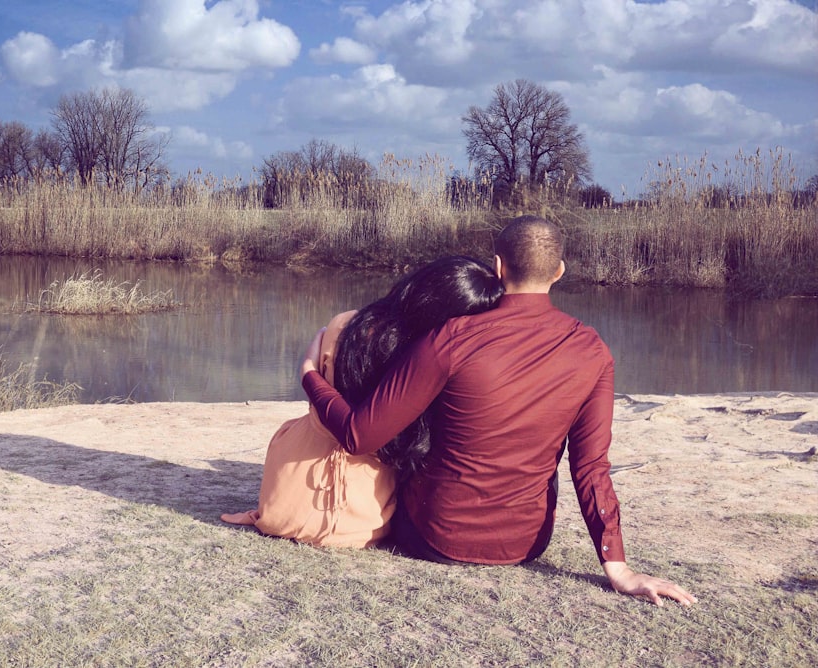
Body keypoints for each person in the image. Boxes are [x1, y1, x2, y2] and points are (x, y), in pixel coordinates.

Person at [301, 216, 697, 606]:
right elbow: (590, 467)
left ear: (497, 267)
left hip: (433, 536)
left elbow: (359, 435)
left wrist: (310, 376)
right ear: (559, 272)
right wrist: (618, 566)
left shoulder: (452, 337)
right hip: (525, 544)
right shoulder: (592, 350)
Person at [221, 256, 504, 547]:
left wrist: (308, 371)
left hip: (288, 494)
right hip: (363, 515)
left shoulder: (345, 324)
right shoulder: (431, 358)